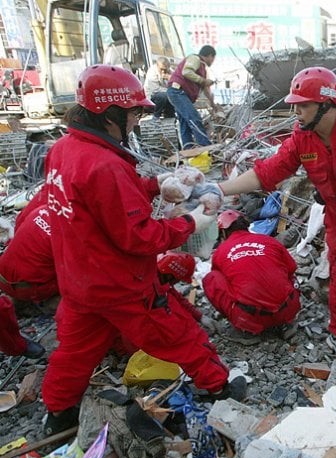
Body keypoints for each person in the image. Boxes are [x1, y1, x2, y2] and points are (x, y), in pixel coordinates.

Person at [41, 64, 243, 436]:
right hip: (122, 285)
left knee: (73, 354)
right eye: (134, 113)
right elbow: (140, 236)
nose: (136, 120)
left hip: (80, 282)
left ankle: (57, 417)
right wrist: (191, 222)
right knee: (178, 334)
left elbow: (99, 202)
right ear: (111, 112)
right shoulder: (104, 164)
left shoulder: (64, 150)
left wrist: (156, 184)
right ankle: (218, 387)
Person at [217, 67, 336, 361]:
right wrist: (220, 189)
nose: (296, 111)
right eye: (294, 104)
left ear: (326, 104)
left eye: (303, 105)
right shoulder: (301, 139)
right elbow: (266, 174)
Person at [202, 210, 300, 345]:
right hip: (287, 309)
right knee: (287, 274)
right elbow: (292, 268)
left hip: (253, 318)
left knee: (211, 279)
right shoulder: (269, 241)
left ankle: (246, 331)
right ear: (246, 226)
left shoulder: (220, 252)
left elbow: (223, 284)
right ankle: (285, 323)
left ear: (223, 232)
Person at [0, 207, 57, 359]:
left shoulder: (43, 207)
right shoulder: (74, 229)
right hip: (30, 288)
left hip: (4, 275)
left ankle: (19, 300)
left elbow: (19, 223)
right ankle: (48, 303)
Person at [167, 45, 219, 149]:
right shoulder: (195, 59)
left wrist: (212, 104)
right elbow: (186, 72)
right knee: (195, 119)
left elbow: (205, 88)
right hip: (178, 92)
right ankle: (206, 147)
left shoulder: (202, 68)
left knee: (185, 123)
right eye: (213, 58)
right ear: (210, 56)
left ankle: (188, 150)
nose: (212, 61)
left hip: (178, 93)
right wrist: (203, 81)